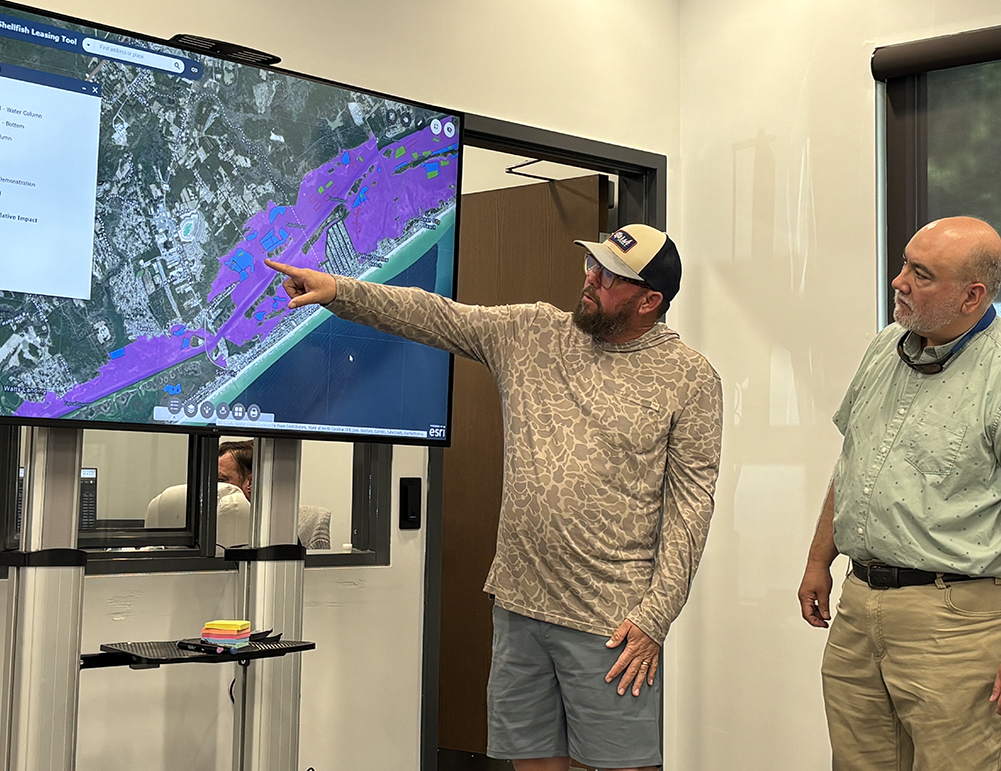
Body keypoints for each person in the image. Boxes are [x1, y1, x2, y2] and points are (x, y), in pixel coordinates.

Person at [266, 224, 722, 771]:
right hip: (519, 606)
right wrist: (343, 292)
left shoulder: (689, 378)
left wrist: (655, 618)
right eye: (591, 266)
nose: (591, 280)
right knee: (530, 764)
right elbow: (436, 315)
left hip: (612, 624)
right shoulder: (532, 332)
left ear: (651, 300)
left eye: (611, 277)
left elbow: (691, 507)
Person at [798, 216, 1001, 770]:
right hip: (861, 606)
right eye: (904, 264)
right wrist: (817, 560)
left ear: (972, 295)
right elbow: (855, 462)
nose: (899, 281)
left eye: (920, 274)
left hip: (956, 624)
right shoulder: (886, 347)